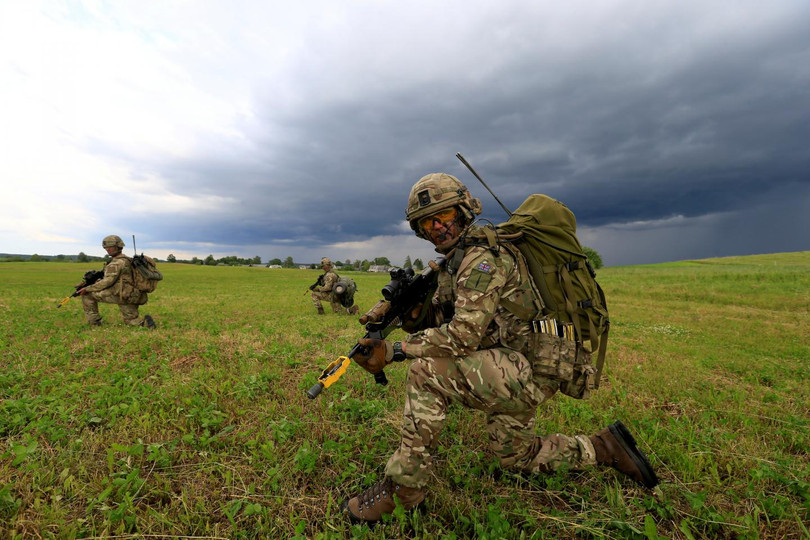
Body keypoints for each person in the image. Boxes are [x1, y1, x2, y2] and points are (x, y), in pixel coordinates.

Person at [343, 173, 658, 523]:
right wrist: (417, 316)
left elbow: (463, 336)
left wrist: (396, 350)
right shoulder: (460, 259)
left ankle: (404, 491)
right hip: (523, 363)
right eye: (427, 222)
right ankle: (603, 448)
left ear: (463, 211)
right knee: (516, 456)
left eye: (444, 217)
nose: (437, 228)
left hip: (523, 368)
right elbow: (456, 319)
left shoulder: (481, 259)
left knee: (425, 372)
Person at [77, 235, 156, 328]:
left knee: (87, 295)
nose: (107, 249)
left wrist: (87, 288)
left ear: (118, 247)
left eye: (110, 247)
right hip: (134, 295)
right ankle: (147, 324)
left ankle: (94, 323)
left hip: (121, 295)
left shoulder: (116, 263)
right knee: (131, 321)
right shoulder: (128, 260)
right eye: (106, 247)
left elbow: (107, 282)